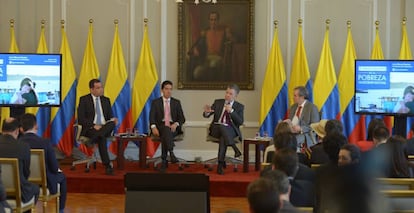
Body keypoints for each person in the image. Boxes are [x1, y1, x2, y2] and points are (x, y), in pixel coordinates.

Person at [18, 113, 67, 212]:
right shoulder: (45, 143)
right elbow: (53, 167)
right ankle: (61, 210)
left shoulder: (17, 144)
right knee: (62, 177)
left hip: (23, 181)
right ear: (36, 126)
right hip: (45, 182)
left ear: (21, 129)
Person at [77, 79, 118, 175]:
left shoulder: (106, 100)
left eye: (101, 87)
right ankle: (107, 165)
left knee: (112, 123)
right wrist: (93, 125)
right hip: (91, 129)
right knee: (101, 138)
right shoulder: (84, 100)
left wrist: (113, 120)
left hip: (104, 127)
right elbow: (81, 119)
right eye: (98, 88)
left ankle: (95, 138)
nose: (101, 90)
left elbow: (109, 117)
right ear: (91, 89)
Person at [203, 84, 244, 175]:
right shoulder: (218, 102)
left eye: (230, 94)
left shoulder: (239, 107)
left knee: (223, 137)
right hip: (216, 129)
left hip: (231, 131)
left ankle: (220, 164)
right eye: (227, 92)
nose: (227, 95)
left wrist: (232, 111)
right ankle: (234, 148)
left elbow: (240, 122)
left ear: (235, 96)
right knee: (221, 126)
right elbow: (208, 114)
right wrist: (206, 112)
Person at [0, 118, 39, 204]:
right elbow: (26, 172)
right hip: (19, 192)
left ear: (2, 130)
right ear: (17, 131)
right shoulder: (23, 147)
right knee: (35, 189)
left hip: (0, 190)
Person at [149, 80, 186, 172]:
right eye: (166, 89)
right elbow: (151, 117)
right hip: (160, 127)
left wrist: (176, 124)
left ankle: (164, 160)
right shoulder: (155, 102)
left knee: (167, 132)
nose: (169, 91)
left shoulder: (176, 102)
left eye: (170, 89)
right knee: (165, 129)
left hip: (173, 128)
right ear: (162, 90)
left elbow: (182, 118)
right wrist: (153, 127)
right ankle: (171, 153)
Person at [189, 11, 233, 81]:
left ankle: (212, 87)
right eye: (211, 20)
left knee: (213, 64)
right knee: (196, 72)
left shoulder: (223, 31)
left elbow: (232, 41)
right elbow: (196, 44)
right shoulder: (205, 32)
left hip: (218, 58)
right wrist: (195, 48)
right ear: (209, 21)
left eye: (215, 20)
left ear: (218, 21)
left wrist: (229, 35)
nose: (213, 22)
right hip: (206, 59)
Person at [285, 86, 319, 152]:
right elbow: (290, 121)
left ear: (302, 97)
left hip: (305, 135)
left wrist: (301, 129)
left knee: (290, 142)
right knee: (276, 140)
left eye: (295, 96)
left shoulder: (312, 108)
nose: (293, 98)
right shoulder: (293, 107)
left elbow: (315, 127)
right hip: (291, 133)